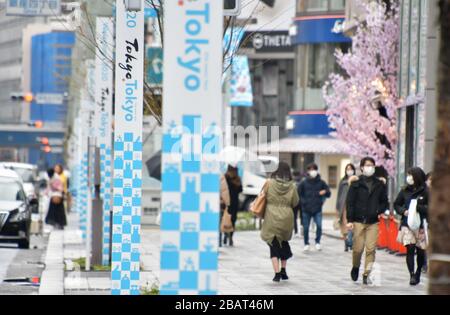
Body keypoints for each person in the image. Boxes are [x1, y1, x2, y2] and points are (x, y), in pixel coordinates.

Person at [346, 157, 389, 285]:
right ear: (362, 167)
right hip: (358, 220)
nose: (370, 167)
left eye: (372, 165)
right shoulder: (356, 183)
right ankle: (355, 266)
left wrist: (378, 210)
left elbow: (384, 201)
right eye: (367, 165)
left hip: (373, 221)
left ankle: (367, 273)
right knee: (358, 249)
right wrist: (350, 220)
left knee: (371, 249)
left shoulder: (379, 184)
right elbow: (350, 203)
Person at [260, 162, 300, 282]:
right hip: (286, 217)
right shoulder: (292, 186)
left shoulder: (269, 183)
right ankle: (283, 270)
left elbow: (262, 196)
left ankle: (277, 273)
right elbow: (295, 202)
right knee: (284, 242)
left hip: (271, 216)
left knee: (273, 244)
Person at [394, 167, 429, 285]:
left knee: (420, 251)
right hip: (407, 224)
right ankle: (412, 274)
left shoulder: (426, 191)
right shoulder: (404, 190)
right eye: (408, 175)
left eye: (411, 175)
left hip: (421, 226)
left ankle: (418, 270)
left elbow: (432, 207)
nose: (409, 177)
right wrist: (403, 211)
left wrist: (419, 208)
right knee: (409, 248)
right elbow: (396, 204)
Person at [298, 163, 331, 251]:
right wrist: (303, 202)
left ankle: (318, 242)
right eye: (311, 170)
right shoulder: (303, 182)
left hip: (317, 208)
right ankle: (306, 243)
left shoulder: (321, 182)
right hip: (306, 209)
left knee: (319, 226)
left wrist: (324, 192)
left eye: (314, 169)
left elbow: (328, 193)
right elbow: (298, 194)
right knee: (306, 227)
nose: (313, 171)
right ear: (308, 171)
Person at [336, 163, 356, 252]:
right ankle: (346, 242)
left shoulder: (356, 180)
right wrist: (337, 206)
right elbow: (339, 195)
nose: (349, 171)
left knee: (352, 225)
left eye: (351, 169)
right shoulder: (343, 181)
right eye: (348, 169)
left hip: (354, 206)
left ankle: (350, 241)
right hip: (344, 206)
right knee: (344, 225)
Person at [224, 165, 242, 246]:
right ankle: (230, 237)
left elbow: (222, 189)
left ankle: (225, 235)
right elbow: (240, 190)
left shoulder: (225, 178)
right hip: (234, 203)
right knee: (233, 220)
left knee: (225, 219)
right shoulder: (237, 179)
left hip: (227, 202)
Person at [219, 174, 231, 247]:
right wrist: (227, 203)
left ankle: (219, 240)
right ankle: (221, 239)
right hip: (220, 204)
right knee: (220, 222)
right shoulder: (221, 177)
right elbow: (225, 191)